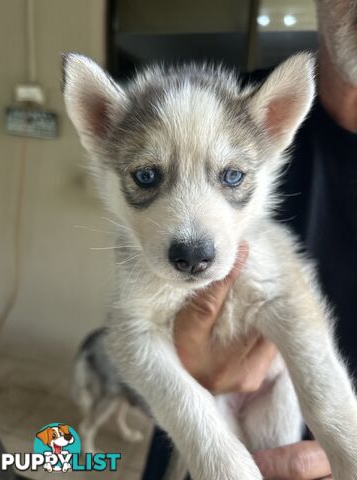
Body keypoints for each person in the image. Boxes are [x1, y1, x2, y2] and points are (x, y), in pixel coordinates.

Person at [143, 1, 357, 478]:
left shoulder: (258, 119)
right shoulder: (220, 106)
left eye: (233, 175)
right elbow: (137, 327)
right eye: (149, 175)